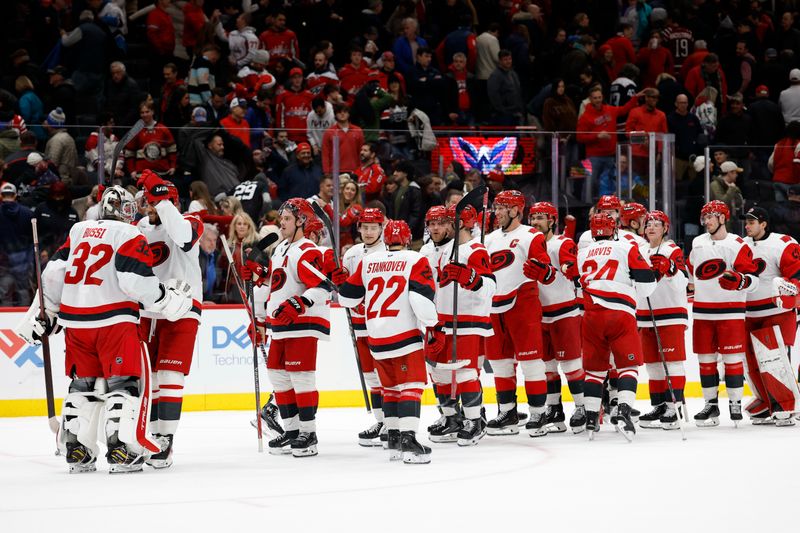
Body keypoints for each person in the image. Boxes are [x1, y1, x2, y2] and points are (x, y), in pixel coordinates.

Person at [14, 185, 193, 473]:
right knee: (123, 384)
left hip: (75, 322)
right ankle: (122, 449)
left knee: (83, 385)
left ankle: (77, 448)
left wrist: (45, 313)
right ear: (125, 209)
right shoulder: (129, 233)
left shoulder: (78, 231)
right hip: (114, 320)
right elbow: (134, 280)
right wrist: (165, 299)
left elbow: (52, 274)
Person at [339, 219, 438, 464]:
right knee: (411, 386)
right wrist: (432, 323)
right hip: (404, 334)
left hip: (376, 338)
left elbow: (345, 299)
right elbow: (420, 298)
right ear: (407, 239)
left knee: (390, 389)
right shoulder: (415, 259)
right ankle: (409, 440)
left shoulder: (368, 261)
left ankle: (393, 439)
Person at [135, 172, 203, 468]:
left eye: (155, 201)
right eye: (149, 201)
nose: (151, 206)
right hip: (147, 312)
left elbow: (183, 237)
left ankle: (166, 440)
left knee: (169, 376)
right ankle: (149, 436)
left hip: (182, 308)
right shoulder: (138, 227)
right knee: (146, 380)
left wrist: (161, 199)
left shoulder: (191, 222)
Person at [259, 199, 331, 457]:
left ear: (301, 220)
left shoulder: (307, 249)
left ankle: (308, 433)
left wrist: (301, 302)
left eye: (287, 219)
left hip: (301, 323)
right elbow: (275, 286)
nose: (282, 223)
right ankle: (291, 431)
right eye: (282, 219)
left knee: (301, 378)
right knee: (278, 376)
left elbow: (323, 286)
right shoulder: (280, 249)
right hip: (280, 325)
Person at [576, 212, 656, 439]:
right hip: (620, 314)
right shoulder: (626, 248)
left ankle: (591, 417)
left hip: (592, 315)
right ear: (615, 231)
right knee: (627, 367)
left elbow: (576, 285)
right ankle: (623, 412)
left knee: (594, 370)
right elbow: (647, 285)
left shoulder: (582, 254)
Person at [484, 190, 556, 436]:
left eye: (502, 208)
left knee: (531, 362)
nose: (497, 212)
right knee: (499, 362)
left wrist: (543, 272)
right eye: (496, 207)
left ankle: (538, 414)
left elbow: (546, 270)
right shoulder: (489, 239)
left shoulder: (531, 235)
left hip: (522, 303)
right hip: (494, 305)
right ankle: (508, 413)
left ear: (516, 210)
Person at [687, 200, 759, 427]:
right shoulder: (697, 243)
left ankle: (735, 404)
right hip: (702, 311)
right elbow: (691, 275)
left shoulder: (737, 244)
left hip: (731, 312)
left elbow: (753, 280)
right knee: (705, 360)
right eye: (705, 217)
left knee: (733, 360)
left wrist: (739, 282)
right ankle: (711, 406)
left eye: (711, 217)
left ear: (722, 218)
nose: (706, 221)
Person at [527, 202, 586, 433]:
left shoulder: (562, 242)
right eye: (532, 218)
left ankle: (582, 407)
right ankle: (554, 409)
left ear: (552, 221)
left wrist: (571, 267)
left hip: (564, 312)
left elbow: (572, 268)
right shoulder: (529, 243)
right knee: (547, 367)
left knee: (571, 364)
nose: (535, 222)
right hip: (540, 313)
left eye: (541, 218)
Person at [741, 207, 800, 425]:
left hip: (777, 311)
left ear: (764, 223)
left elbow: (796, 275)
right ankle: (766, 401)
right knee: (750, 361)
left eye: (752, 222)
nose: (747, 226)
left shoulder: (783, 243)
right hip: (748, 312)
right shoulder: (741, 245)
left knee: (773, 359)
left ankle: (786, 403)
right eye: (746, 222)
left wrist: (792, 294)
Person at [635, 211, 689, 430]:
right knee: (654, 366)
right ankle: (658, 405)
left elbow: (683, 282)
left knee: (673, 363)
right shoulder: (638, 251)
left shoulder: (672, 250)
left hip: (671, 314)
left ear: (666, 228)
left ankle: (673, 406)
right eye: (648, 223)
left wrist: (671, 269)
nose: (651, 227)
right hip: (646, 315)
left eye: (657, 224)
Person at [340, 208, 387, 445]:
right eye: (365, 227)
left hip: (383, 323)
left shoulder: (389, 252)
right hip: (359, 322)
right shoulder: (352, 254)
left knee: (385, 373)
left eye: (373, 227)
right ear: (358, 228)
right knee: (370, 374)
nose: (368, 232)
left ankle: (392, 422)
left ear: (382, 228)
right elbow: (346, 287)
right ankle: (381, 421)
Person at [576, 87, 642, 202]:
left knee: (610, 182)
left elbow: (624, 109)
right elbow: (579, 137)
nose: (598, 100)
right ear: (590, 99)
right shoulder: (585, 117)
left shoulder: (610, 109)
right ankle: (586, 207)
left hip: (611, 155)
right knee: (590, 182)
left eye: (599, 97)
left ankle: (608, 205)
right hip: (592, 157)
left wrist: (635, 97)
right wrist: (597, 136)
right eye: (595, 98)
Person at [0, 182, 33, 306]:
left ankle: (4, 322)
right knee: (23, 292)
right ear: (15, 195)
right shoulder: (28, 213)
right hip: (23, 261)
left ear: (1, 196)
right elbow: (33, 239)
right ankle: (25, 322)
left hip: (3, 262)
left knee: (5, 293)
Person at [124, 101, 177, 180]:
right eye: (142, 112)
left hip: (162, 173)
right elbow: (129, 153)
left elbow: (172, 150)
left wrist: (173, 166)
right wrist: (132, 170)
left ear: (152, 112)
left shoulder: (163, 129)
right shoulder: (135, 131)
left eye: (147, 112)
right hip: (142, 174)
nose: (145, 115)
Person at [321, 103, 364, 175]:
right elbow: (325, 154)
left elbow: (361, 152)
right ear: (335, 115)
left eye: (345, 112)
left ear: (349, 114)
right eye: (339, 112)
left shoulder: (358, 131)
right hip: (335, 171)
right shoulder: (329, 132)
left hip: (355, 170)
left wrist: (362, 169)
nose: (342, 114)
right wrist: (326, 172)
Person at [275, 68, 314, 144]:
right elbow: (279, 116)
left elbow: (313, 116)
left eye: (299, 77)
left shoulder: (309, 95)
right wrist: (281, 133)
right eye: (294, 77)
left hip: (306, 137)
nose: (297, 80)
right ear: (291, 79)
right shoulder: (283, 95)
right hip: (288, 137)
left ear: (302, 78)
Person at [487, 50, 524, 126]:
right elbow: (493, 95)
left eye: (509, 59)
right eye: (505, 59)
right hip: (503, 115)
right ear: (500, 61)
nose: (508, 61)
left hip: (516, 112)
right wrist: (502, 110)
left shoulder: (513, 74)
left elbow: (518, 92)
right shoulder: (495, 76)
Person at [43, 108, 78, 184]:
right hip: (67, 179)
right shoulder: (68, 137)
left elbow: (52, 164)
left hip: (59, 181)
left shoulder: (56, 140)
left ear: (50, 124)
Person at [709, 161, 744, 229]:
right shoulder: (715, 185)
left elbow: (739, 203)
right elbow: (721, 202)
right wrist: (731, 189)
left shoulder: (731, 186)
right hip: (718, 225)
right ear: (729, 173)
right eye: (735, 173)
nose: (737, 175)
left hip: (730, 223)